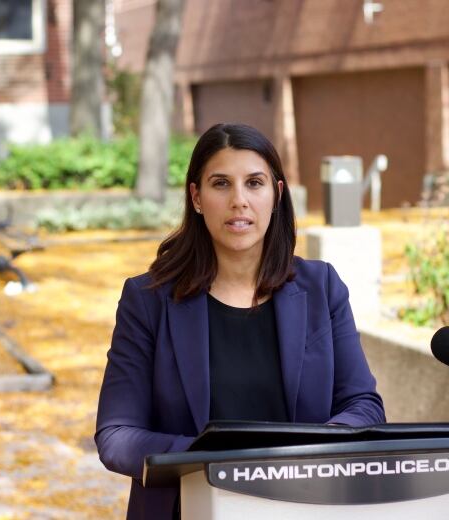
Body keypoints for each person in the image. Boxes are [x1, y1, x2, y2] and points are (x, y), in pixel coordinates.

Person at [95, 123, 385, 519]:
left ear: (277, 195)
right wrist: (218, 458)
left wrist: (312, 451)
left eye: (254, 183)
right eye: (220, 184)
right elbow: (116, 437)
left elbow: (363, 405)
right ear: (196, 197)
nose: (239, 200)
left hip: (306, 507)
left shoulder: (322, 288)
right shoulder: (148, 300)